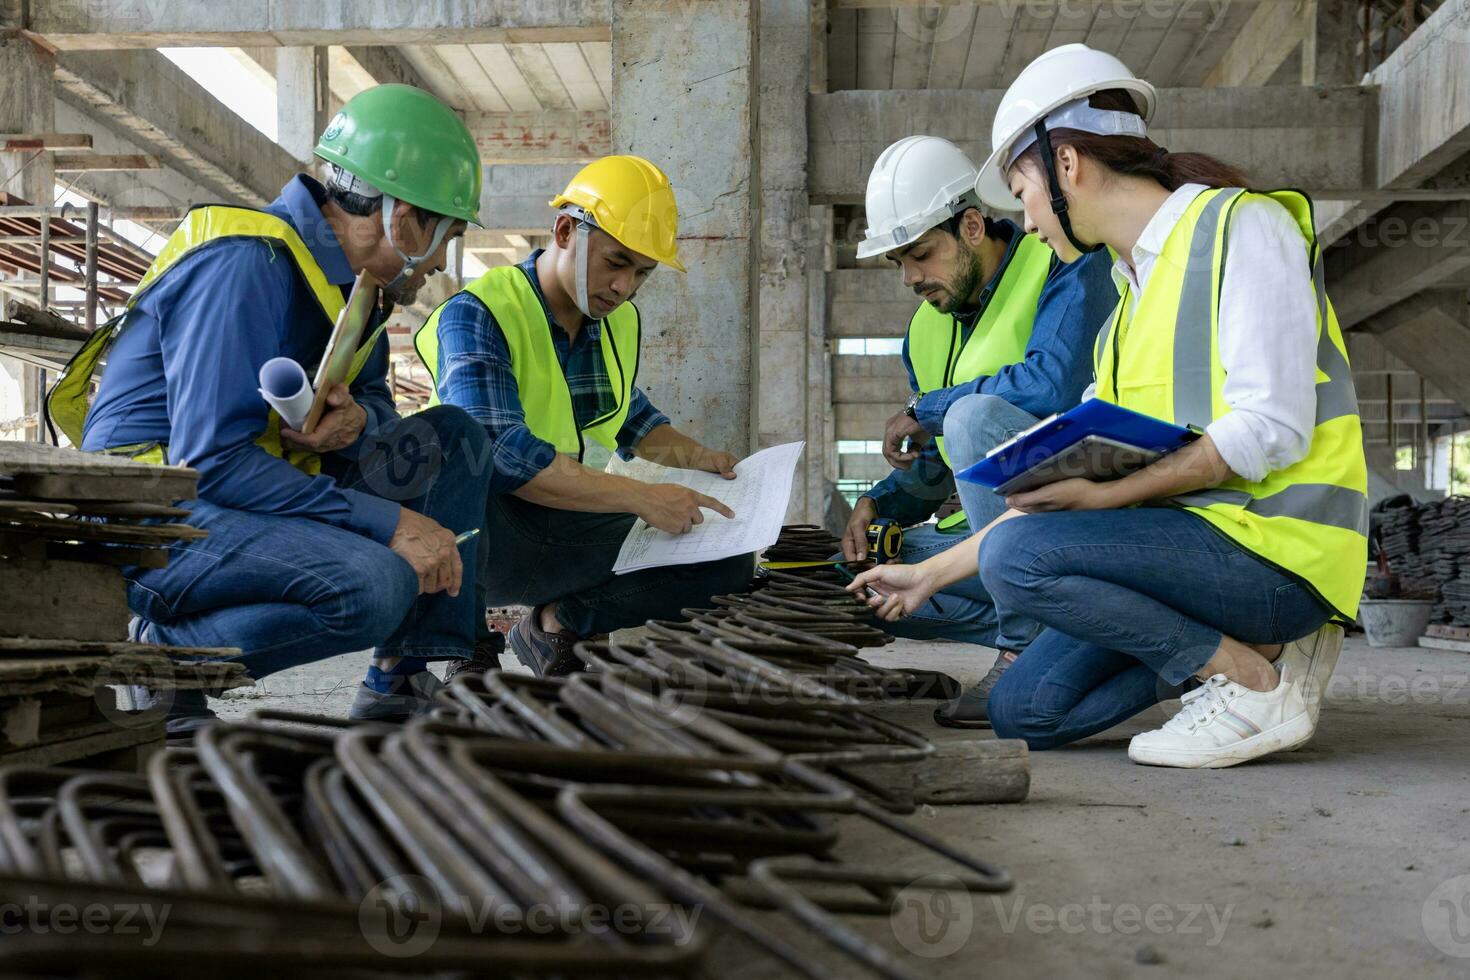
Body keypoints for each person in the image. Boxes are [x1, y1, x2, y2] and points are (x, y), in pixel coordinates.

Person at [850, 43, 1367, 769]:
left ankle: (1249, 675)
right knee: (1022, 709)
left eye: (1022, 192)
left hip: (1279, 555)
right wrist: (928, 574)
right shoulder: (1128, 301)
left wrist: (1111, 494)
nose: (1026, 221)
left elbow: (1271, 430)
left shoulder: (1243, 229)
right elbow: (1061, 487)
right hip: (1178, 557)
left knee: (1017, 558)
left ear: (1068, 166)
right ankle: (1233, 654)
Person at [51, 84, 492, 733]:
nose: (440, 264)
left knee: (452, 436)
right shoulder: (245, 263)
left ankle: (403, 680)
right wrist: (387, 522)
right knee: (373, 584)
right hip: (152, 513)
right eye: (445, 236)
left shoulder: (358, 293)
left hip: (238, 499)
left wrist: (358, 423)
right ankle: (160, 663)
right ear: (402, 219)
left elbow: (380, 410)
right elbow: (214, 462)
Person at [415, 155, 752, 677]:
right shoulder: (479, 313)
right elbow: (502, 453)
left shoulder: (612, 324)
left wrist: (705, 460)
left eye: (642, 272)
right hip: (483, 539)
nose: (625, 288)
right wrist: (644, 498)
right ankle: (469, 646)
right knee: (445, 460)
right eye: (617, 262)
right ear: (567, 230)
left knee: (726, 559)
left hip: (562, 526)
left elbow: (632, 419)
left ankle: (556, 625)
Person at [840, 135, 1117, 728]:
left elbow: (1051, 388)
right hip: (985, 548)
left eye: (920, 254)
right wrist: (878, 504)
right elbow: (941, 467)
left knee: (971, 415)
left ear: (970, 226)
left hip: (1085, 524)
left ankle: (1022, 647)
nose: (910, 278)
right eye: (900, 263)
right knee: (857, 578)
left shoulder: (1063, 263)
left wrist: (933, 407)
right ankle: (1076, 631)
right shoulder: (924, 332)